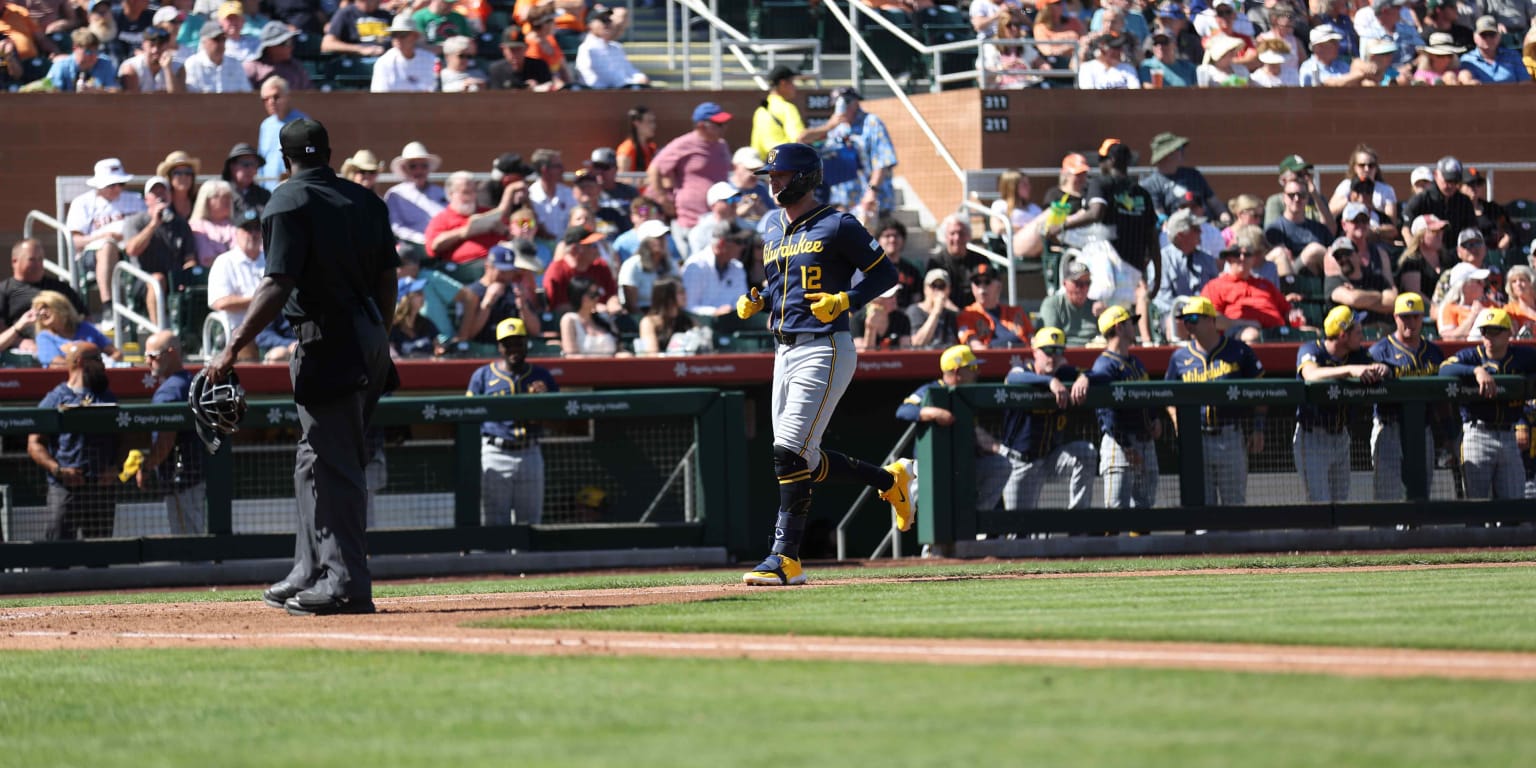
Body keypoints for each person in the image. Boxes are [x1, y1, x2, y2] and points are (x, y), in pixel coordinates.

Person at [208, 117, 398, 617]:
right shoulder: (366, 199)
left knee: (335, 464)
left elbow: (277, 284)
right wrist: (380, 337)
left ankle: (347, 583)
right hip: (369, 335)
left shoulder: (288, 199)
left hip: (328, 339)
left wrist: (232, 348)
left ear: (284, 158)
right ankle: (310, 569)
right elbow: (388, 281)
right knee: (312, 461)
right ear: (330, 152)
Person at [736, 142, 910, 586]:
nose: (773, 182)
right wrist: (759, 299)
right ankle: (888, 480)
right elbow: (780, 284)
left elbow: (886, 274)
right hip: (784, 348)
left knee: (787, 452)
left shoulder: (838, 223)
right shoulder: (772, 227)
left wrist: (848, 299)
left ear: (804, 177)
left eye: (780, 175)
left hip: (825, 345)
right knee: (803, 460)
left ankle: (785, 558)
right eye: (771, 175)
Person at [1165, 296, 1265, 505]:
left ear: (1211, 320)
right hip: (1196, 437)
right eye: (1185, 320)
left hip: (1230, 434)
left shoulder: (1239, 350)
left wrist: (1258, 427)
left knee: (1234, 507)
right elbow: (1168, 395)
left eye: (1193, 318)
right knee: (1200, 507)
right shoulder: (1180, 357)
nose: (1187, 324)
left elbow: (1260, 390)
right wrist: (1177, 421)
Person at [895, 344, 1010, 512]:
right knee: (939, 526)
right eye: (973, 367)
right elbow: (903, 411)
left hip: (961, 465)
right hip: (931, 469)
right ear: (957, 372)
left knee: (1000, 465)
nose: (978, 372)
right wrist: (934, 412)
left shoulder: (968, 394)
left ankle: (975, 520)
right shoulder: (931, 389)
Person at [1292, 305, 1389, 502]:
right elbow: (1311, 375)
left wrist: (1381, 368)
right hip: (1312, 435)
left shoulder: (1356, 353)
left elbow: (1377, 365)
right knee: (1319, 504)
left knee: (1340, 502)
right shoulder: (1312, 349)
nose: (1362, 335)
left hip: (1341, 435)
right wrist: (1349, 370)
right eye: (1358, 332)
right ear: (1343, 335)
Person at [466, 317, 557, 525]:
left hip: (530, 451)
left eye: (519, 342)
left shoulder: (541, 376)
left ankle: (526, 559)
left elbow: (559, 419)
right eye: (508, 344)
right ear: (500, 347)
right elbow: (468, 416)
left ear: (527, 343)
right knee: (495, 522)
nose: (514, 348)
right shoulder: (483, 376)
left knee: (530, 523)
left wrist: (544, 401)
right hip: (495, 451)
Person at [1441, 308, 1536, 500]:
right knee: (1476, 506)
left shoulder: (1521, 356)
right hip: (1478, 433)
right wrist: (1476, 370)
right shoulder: (1472, 356)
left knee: (1514, 504)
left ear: (1509, 333)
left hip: (1509, 435)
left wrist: (1523, 419)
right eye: (1485, 332)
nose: (1489, 338)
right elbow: (1445, 369)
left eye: (1495, 331)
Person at [28, 341, 120, 540]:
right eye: (98, 359)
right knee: (58, 554)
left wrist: (115, 467)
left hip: (101, 488)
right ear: (80, 362)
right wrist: (57, 470)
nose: (103, 365)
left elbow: (128, 437)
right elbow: (35, 443)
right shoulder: (54, 399)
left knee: (101, 556)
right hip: (65, 487)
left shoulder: (108, 398)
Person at [1000, 327, 1096, 512]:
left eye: (1058, 351)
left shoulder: (1064, 372)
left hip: (1051, 458)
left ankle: (1078, 520)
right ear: (1035, 351)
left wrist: (1084, 378)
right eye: (1048, 351)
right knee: (1018, 529)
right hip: (1020, 462)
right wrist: (1050, 382)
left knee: (1086, 453)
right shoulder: (1023, 369)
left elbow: (1094, 372)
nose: (1053, 356)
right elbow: (1014, 377)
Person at [1367, 292, 1445, 500]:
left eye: (1415, 316)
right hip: (1389, 427)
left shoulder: (1434, 352)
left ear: (1422, 318)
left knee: (1421, 490)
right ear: (1395, 318)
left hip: (1423, 429)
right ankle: (1386, 533)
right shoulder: (1379, 351)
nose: (1410, 322)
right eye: (1405, 317)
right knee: (1387, 493)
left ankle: (1417, 532)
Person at [1090, 306, 1160, 509]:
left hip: (1146, 442)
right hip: (1120, 445)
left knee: (1144, 510)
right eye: (1131, 322)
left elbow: (1148, 395)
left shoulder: (1135, 361)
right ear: (1119, 327)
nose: (1135, 326)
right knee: (1115, 512)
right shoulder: (1104, 365)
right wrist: (1126, 445)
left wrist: (1154, 418)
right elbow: (1105, 413)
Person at [1053, 139, 1159, 274]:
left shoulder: (1100, 184)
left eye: (1102, 159)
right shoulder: (1142, 194)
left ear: (1112, 160)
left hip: (1107, 269)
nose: (1100, 163)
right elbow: (1153, 236)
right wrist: (1157, 275)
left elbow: (1096, 213)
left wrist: (1062, 226)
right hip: (1135, 270)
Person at [137, 330, 205, 534]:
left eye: (153, 355)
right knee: (197, 534)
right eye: (145, 356)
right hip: (199, 474)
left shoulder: (170, 390)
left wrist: (147, 467)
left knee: (188, 543)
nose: (148, 361)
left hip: (182, 476)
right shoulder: (193, 382)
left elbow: (166, 440)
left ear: (172, 352)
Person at [66, 157, 146, 326]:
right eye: (112, 185)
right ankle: (108, 306)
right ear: (99, 185)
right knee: (108, 246)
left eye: (121, 184)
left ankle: (141, 309)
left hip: (131, 251)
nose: (117, 188)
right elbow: (77, 242)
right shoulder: (83, 203)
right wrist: (104, 236)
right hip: (93, 255)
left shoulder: (136, 200)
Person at [649, 102, 733, 247]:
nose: (724, 127)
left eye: (725, 123)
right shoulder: (683, 143)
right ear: (701, 125)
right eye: (718, 124)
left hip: (720, 219)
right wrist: (662, 197)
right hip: (692, 220)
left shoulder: (722, 145)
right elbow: (655, 168)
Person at [820, 88, 899, 220]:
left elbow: (883, 160)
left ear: (855, 103)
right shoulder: (836, 128)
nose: (842, 109)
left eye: (846, 104)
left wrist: (872, 191)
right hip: (845, 204)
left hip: (872, 202)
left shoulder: (872, 123)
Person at [1, 239, 88, 357]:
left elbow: (85, 319)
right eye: (32, 259)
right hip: (24, 354)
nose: (38, 264)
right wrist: (19, 341)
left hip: (65, 348)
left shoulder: (60, 288)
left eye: (41, 259)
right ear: (15, 261)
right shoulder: (4, 290)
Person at [206, 207, 266, 346]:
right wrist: (262, 299)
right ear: (236, 232)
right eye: (247, 229)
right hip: (237, 331)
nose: (253, 233)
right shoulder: (224, 261)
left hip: (272, 328)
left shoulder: (270, 259)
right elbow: (220, 302)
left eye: (257, 228)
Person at [384, 141, 446, 250]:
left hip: (442, 244)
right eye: (413, 166)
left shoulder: (440, 192)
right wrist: (422, 239)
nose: (419, 170)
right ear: (404, 168)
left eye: (424, 166)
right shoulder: (395, 195)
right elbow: (396, 227)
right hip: (413, 247)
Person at [32, 289, 118, 367]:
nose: (42, 312)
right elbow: (57, 365)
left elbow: (116, 353)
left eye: (46, 307)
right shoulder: (44, 337)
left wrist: (109, 363)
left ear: (62, 308)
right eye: (39, 310)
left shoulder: (86, 328)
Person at [958, 265, 1033, 349]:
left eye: (987, 281)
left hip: (1021, 358)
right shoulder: (968, 314)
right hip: (991, 358)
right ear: (972, 287)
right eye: (977, 282)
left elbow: (1032, 338)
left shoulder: (1016, 312)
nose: (982, 287)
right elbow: (972, 342)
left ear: (999, 286)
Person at [574, 6, 646, 89]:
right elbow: (589, 78)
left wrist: (640, 77)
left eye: (609, 20)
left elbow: (630, 70)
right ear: (590, 24)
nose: (607, 24)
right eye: (603, 20)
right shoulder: (587, 48)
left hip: (624, 92)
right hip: (603, 95)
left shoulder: (616, 47)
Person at [256, 76, 304, 189]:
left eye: (276, 97)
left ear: (288, 97)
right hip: (268, 190)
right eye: (265, 99)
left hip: (294, 190)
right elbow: (261, 159)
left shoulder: (302, 123)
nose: (271, 102)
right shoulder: (265, 125)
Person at [370, 14, 437, 92]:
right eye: (394, 34)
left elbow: (433, 90)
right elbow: (379, 97)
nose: (397, 39)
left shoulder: (430, 59)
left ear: (415, 36)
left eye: (403, 34)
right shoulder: (383, 62)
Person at [635, 276, 698, 355]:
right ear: (667, 296)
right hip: (661, 365)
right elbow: (651, 354)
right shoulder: (649, 322)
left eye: (684, 291)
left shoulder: (689, 320)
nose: (685, 295)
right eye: (681, 292)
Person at [1461, 15, 1529, 83]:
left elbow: (1525, 83)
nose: (1488, 38)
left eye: (1491, 34)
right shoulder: (1467, 60)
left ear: (1499, 36)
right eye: (1483, 35)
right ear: (1474, 36)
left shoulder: (1513, 56)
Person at [907, 268, 961, 349]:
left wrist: (956, 311)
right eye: (933, 286)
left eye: (941, 286)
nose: (937, 290)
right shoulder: (914, 311)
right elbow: (917, 343)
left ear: (948, 290)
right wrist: (936, 311)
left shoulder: (951, 314)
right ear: (925, 289)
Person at [390, 277, 442, 357]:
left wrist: (440, 351)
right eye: (418, 293)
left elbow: (438, 349)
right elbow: (391, 356)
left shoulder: (427, 324)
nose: (423, 296)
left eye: (422, 293)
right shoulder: (392, 327)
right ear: (405, 298)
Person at [487, 30, 554, 90]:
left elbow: (550, 91)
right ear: (503, 49)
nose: (515, 54)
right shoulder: (496, 70)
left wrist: (537, 88)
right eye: (512, 50)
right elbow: (495, 97)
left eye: (518, 49)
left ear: (526, 48)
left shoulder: (540, 66)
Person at [221, 142, 270, 216]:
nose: (250, 169)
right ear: (232, 166)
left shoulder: (264, 196)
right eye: (245, 164)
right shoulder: (220, 194)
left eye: (254, 164)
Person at [615, 105, 657, 174]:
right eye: (649, 122)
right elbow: (622, 179)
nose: (653, 126)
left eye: (653, 122)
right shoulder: (627, 149)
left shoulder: (651, 148)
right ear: (637, 123)